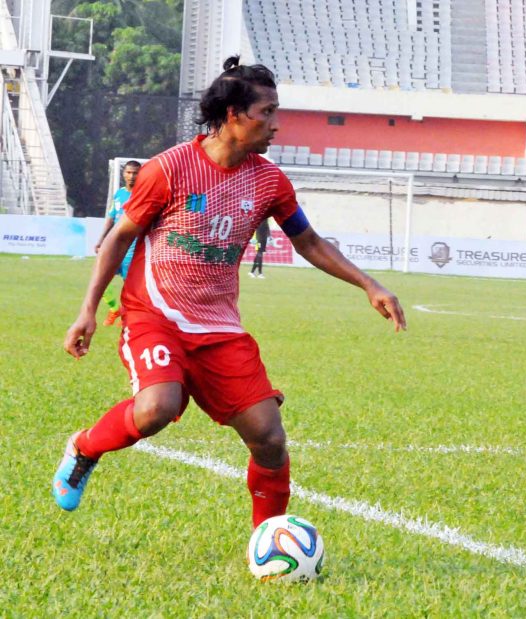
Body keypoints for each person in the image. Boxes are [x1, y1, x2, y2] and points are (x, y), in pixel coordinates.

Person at [53, 57, 407, 531]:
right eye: (267, 113)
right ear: (234, 114)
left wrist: (370, 284)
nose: (276, 125)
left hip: (218, 327)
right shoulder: (169, 169)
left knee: (269, 438)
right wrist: (88, 311)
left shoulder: (268, 181)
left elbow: (309, 241)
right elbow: (118, 237)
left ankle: (271, 539)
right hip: (154, 313)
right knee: (157, 408)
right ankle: (84, 447)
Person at [95, 160, 142, 326]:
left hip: (132, 247)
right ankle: (115, 309)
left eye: (135, 173)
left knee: (130, 286)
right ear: (123, 173)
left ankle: (128, 316)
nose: (131, 176)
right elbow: (111, 218)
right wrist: (102, 239)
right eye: (129, 172)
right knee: (100, 279)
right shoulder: (119, 194)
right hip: (115, 245)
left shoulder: (143, 194)